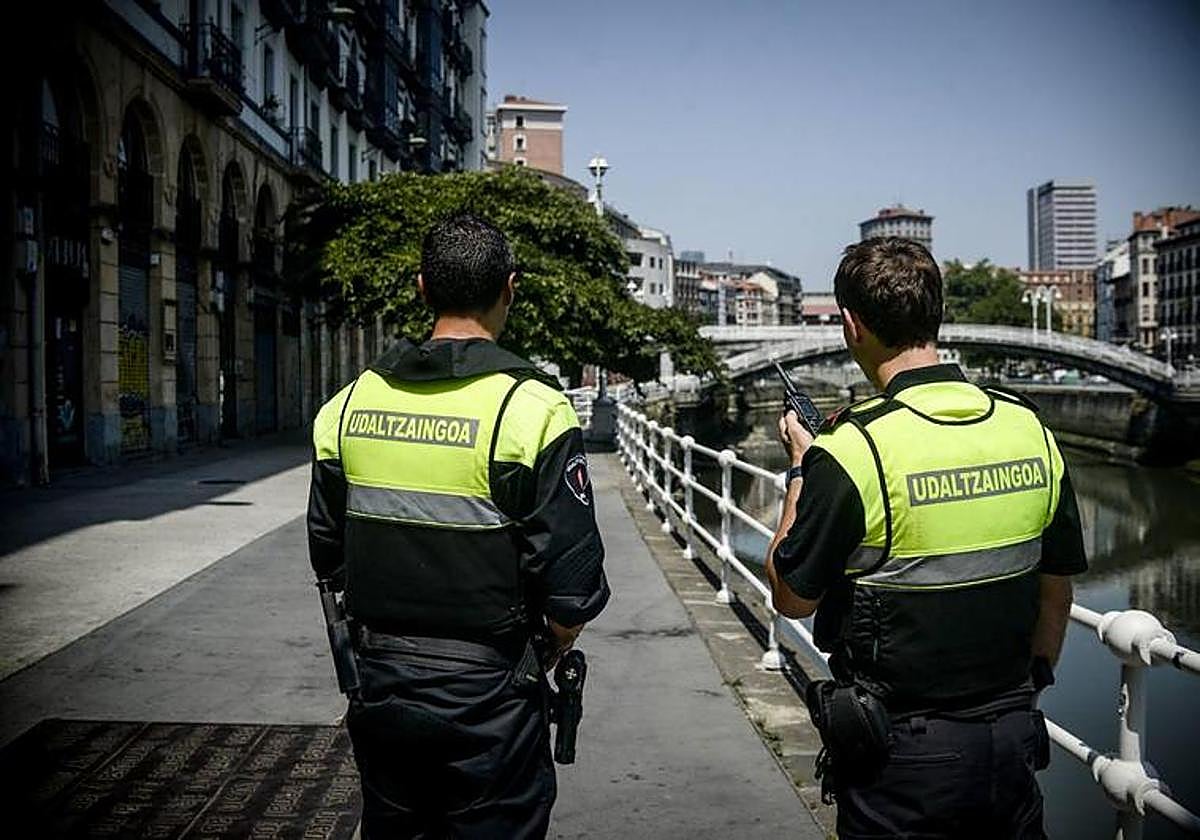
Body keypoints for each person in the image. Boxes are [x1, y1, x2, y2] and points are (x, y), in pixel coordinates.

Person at [764, 237, 1086, 839]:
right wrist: (1029, 686)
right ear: (936, 313)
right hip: (1014, 733)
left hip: (902, 757)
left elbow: (791, 595)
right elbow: (1056, 590)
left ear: (851, 325)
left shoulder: (852, 450)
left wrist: (801, 469)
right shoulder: (1029, 429)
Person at [307, 213, 610, 839]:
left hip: (380, 686)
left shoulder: (349, 405)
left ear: (421, 288)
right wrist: (544, 651)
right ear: (510, 288)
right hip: (491, 698)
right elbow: (572, 590)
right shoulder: (532, 411)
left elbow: (326, 554)